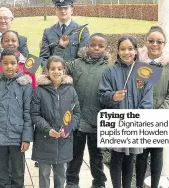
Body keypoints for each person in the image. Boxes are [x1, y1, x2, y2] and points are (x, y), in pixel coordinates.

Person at [98, 35, 153, 188]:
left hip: (134, 123)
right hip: (117, 122)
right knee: (116, 158)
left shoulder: (145, 70)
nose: (126, 52)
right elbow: (102, 96)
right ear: (118, 51)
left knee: (130, 158)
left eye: (130, 49)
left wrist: (138, 116)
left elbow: (148, 98)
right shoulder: (109, 71)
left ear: (136, 50)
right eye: (123, 49)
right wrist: (113, 96)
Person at [0, 47, 33, 188]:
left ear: (18, 64)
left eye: (12, 63)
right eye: (5, 63)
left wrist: (27, 137)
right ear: (0, 64)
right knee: (1, 169)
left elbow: (28, 112)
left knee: (17, 171)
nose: (9, 66)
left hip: (17, 136)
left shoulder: (25, 85)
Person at [65, 33, 110, 188]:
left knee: (96, 155)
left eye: (101, 46)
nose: (96, 48)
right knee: (75, 153)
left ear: (106, 48)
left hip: (97, 120)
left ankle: (99, 182)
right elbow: (57, 67)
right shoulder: (76, 64)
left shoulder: (109, 68)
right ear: (87, 45)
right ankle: (71, 181)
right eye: (93, 45)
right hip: (76, 119)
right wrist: (60, 48)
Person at [30, 55, 80, 188]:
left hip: (63, 141)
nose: (56, 71)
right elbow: (35, 115)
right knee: (44, 174)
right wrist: (47, 129)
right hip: (44, 140)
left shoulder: (71, 90)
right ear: (47, 71)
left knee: (60, 174)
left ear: (64, 70)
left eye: (59, 68)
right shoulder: (40, 91)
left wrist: (68, 128)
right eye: (52, 68)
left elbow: (76, 113)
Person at [135, 26, 168, 188]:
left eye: (159, 42)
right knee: (141, 154)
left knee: (157, 152)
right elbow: (135, 89)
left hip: (160, 115)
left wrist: (159, 113)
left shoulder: (167, 65)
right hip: (141, 115)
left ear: (164, 44)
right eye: (151, 41)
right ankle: (139, 185)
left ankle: (154, 185)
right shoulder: (139, 63)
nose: (155, 44)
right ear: (146, 42)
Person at [39, 0, 89, 66]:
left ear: (72, 10)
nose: (63, 11)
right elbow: (43, 58)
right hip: (53, 74)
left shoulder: (81, 30)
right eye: (59, 8)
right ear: (55, 10)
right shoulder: (48, 32)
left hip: (73, 75)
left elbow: (83, 58)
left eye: (66, 8)